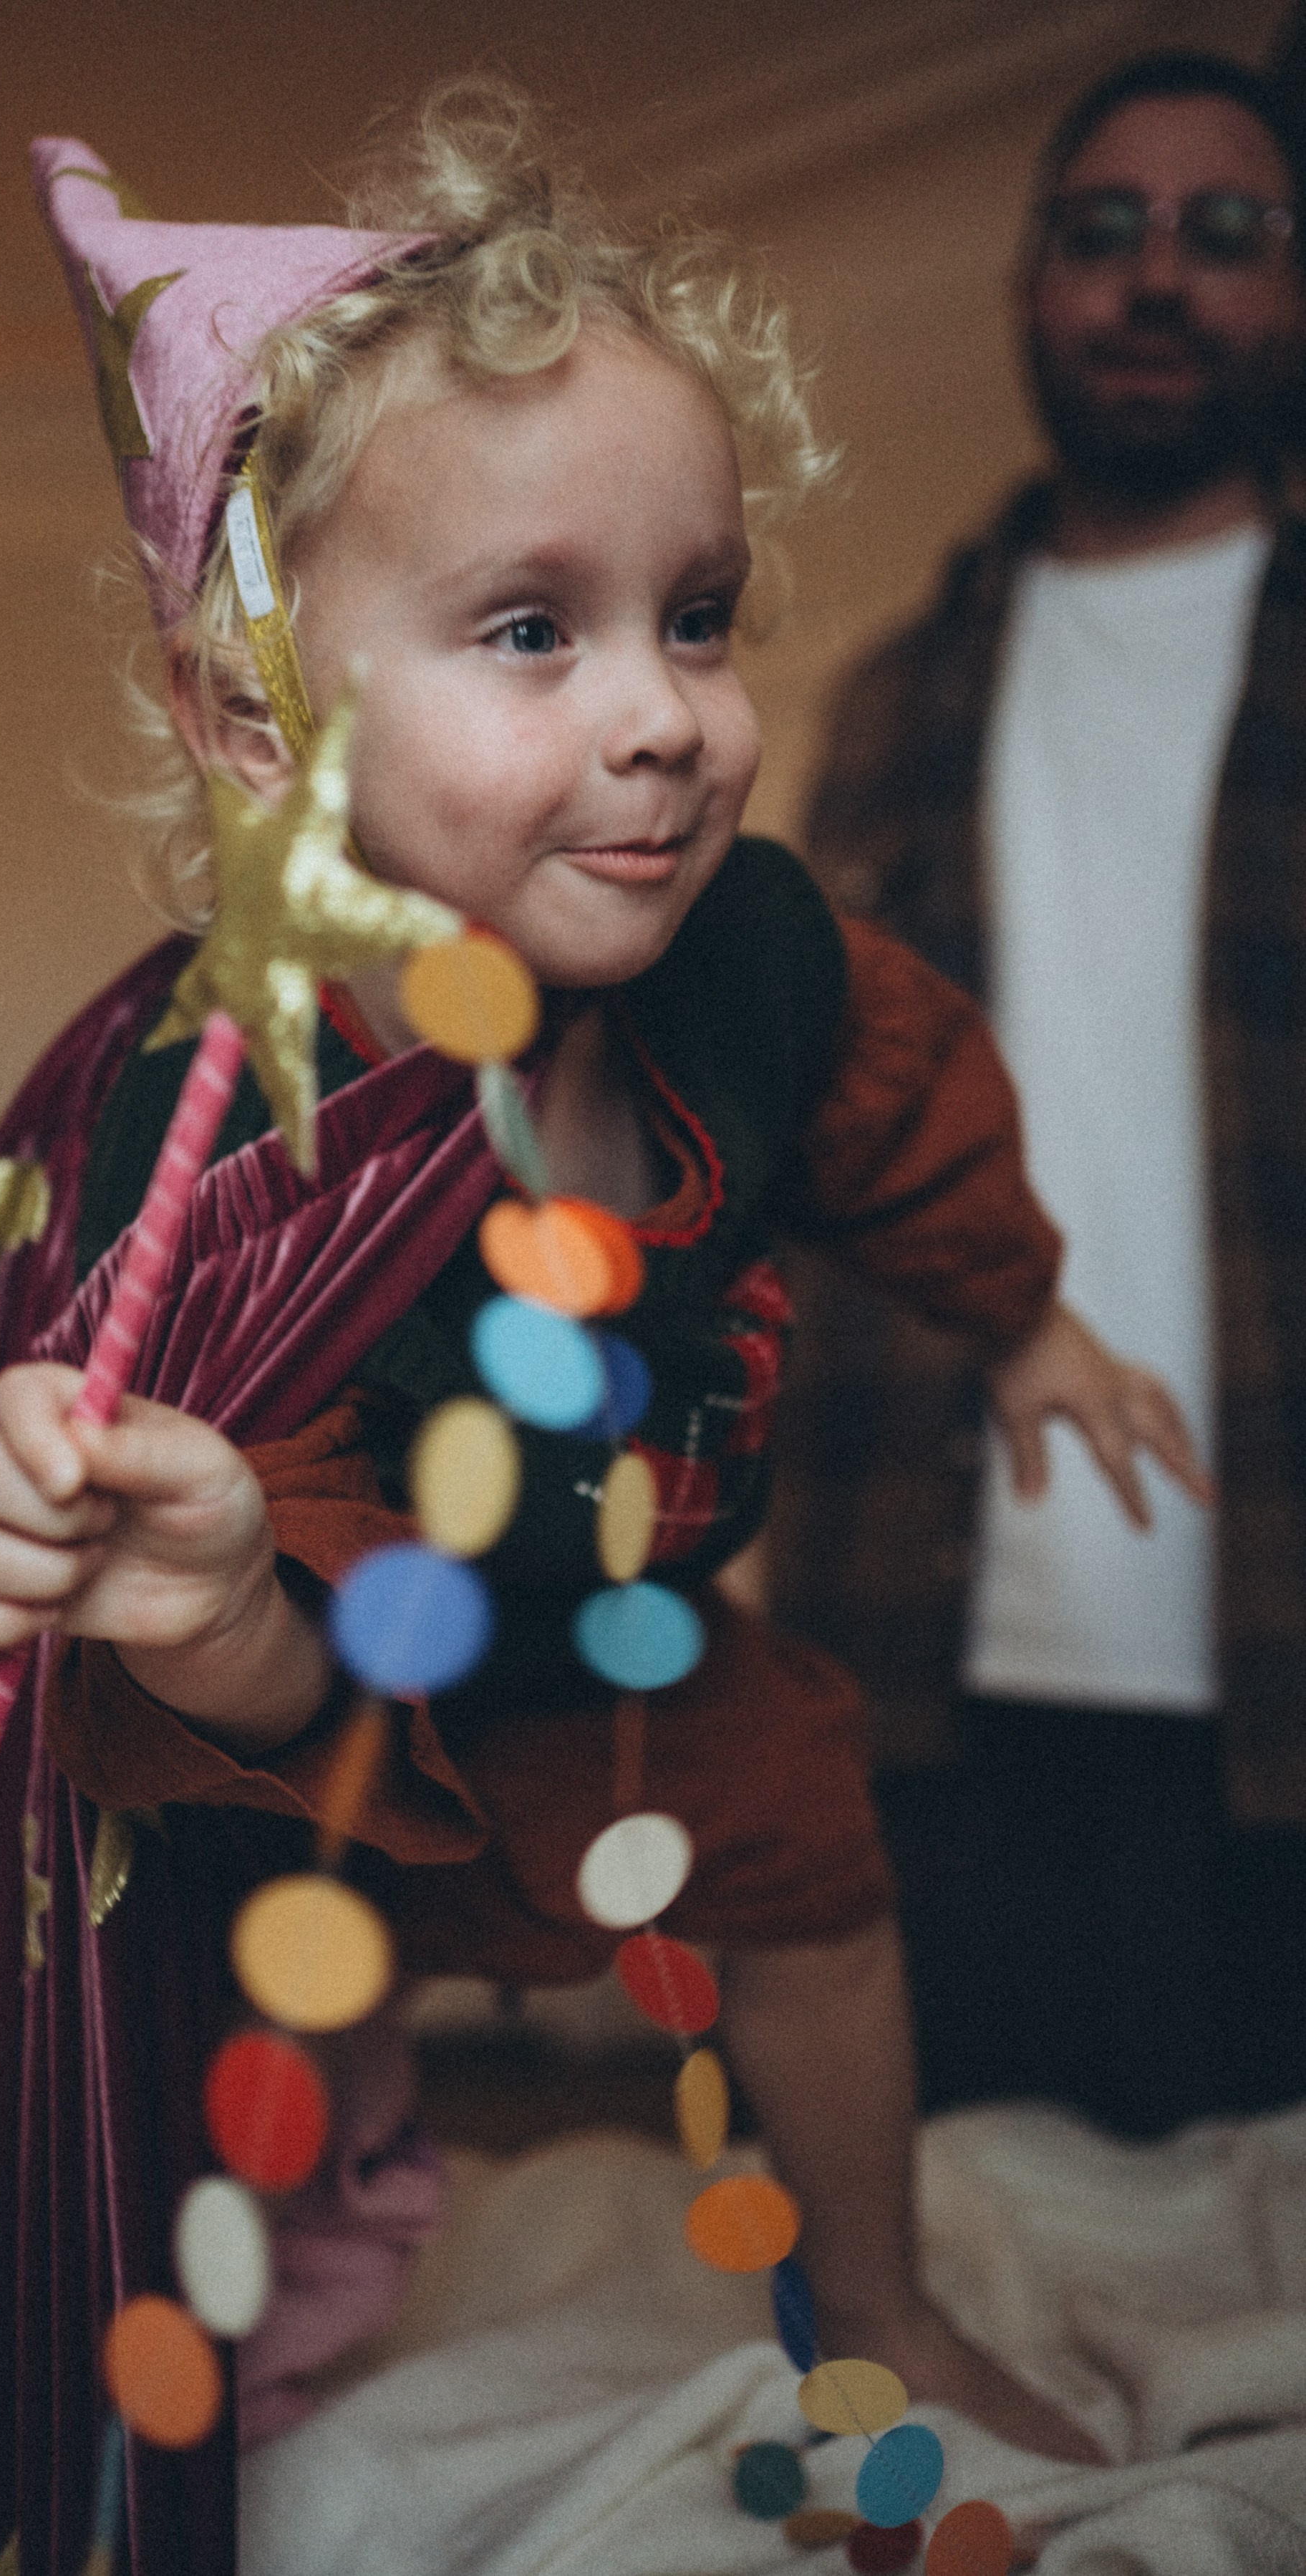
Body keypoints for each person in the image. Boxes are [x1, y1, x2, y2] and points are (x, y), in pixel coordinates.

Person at [0, 85, 1204, 2575]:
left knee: (813, 1854)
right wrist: (229, 1594)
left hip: (631, 1640)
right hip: (319, 1739)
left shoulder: (745, 957)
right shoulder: (242, 1160)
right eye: (533, 632)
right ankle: (273, 2246)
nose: (663, 714)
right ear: (259, 719)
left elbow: (905, 1119)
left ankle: (876, 2297)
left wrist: (1030, 1338)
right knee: (262, 2076)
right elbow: (181, 1670)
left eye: (700, 613)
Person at [789, 50, 1306, 2140]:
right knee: (973, 2289)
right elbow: (790, 1130)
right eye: (1102, 230)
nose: (1155, 278)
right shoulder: (887, 699)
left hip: (1274, 1633)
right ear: (1028, 292)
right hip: (920, 1636)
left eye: (1225, 232)